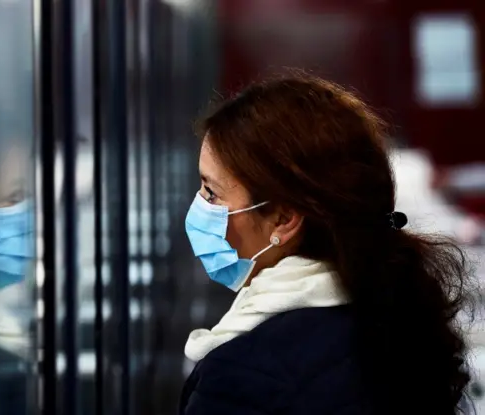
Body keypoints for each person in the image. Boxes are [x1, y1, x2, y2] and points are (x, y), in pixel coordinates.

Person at [180, 72, 473, 414]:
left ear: (283, 220)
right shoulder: (397, 314)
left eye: (212, 193)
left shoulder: (242, 376)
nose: (199, 204)